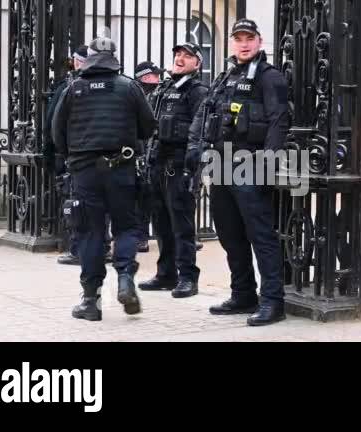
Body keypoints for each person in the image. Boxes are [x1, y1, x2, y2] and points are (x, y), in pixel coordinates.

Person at [186, 19, 289, 326]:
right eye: (239, 38)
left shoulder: (270, 78)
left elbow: (278, 121)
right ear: (232, 42)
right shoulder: (226, 76)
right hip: (220, 164)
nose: (244, 44)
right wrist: (195, 151)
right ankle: (243, 293)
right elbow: (205, 115)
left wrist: (268, 164)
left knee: (261, 236)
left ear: (259, 41)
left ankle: (273, 301)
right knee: (230, 235)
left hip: (249, 164)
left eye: (250, 38)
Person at [52, 37, 156, 321]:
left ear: (90, 58)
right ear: (113, 57)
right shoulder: (129, 87)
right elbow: (148, 127)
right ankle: (125, 279)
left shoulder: (73, 89)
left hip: (85, 173)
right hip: (121, 169)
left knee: (90, 233)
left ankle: (90, 300)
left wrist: (74, 155)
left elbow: (56, 132)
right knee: (126, 228)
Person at [137, 42, 208, 299]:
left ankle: (188, 277)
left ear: (196, 64)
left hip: (179, 166)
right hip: (157, 163)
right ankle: (166, 274)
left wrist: (193, 167)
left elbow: (199, 131)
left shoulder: (197, 91)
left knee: (182, 224)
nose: (180, 58)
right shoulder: (164, 88)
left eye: (187, 56)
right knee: (162, 223)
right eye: (177, 54)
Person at [44, 45, 112, 266]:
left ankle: (78, 249)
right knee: (101, 206)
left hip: (78, 156)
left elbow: (54, 124)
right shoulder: (118, 85)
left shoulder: (71, 87)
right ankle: (102, 247)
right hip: (109, 159)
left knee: (77, 205)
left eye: (75, 59)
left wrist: (58, 153)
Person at [134, 61, 164, 254]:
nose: (159, 78)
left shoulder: (156, 94)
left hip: (152, 150)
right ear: (145, 77)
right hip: (138, 151)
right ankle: (140, 237)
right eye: (155, 75)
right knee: (141, 198)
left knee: (153, 197)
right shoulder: (136, 94)